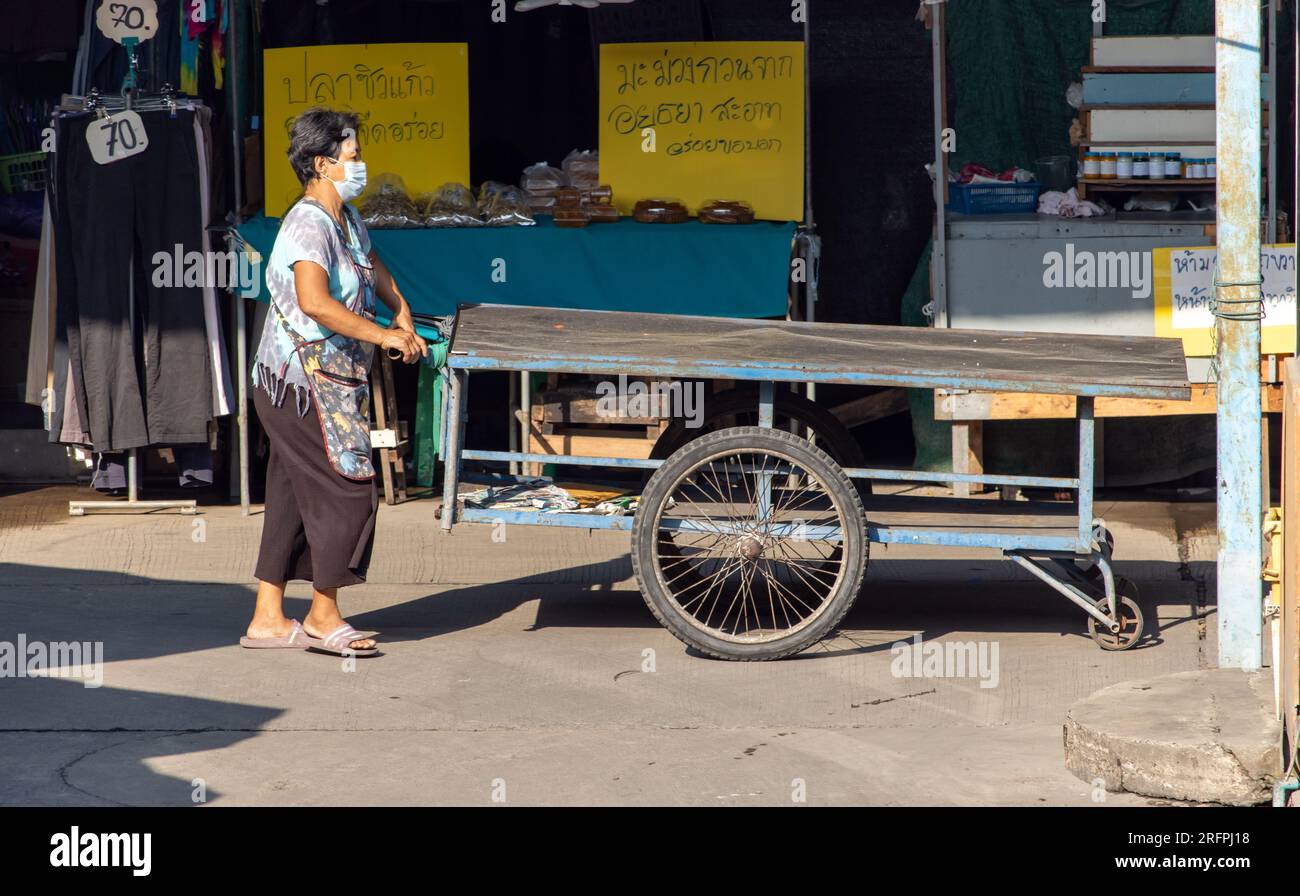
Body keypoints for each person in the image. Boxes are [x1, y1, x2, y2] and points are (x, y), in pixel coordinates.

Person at [240, 107, 427, 656]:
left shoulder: (345, 218)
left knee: (291, 497)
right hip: (297, 384)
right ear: (323, 163)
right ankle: (324, 614)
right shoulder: (306, 223)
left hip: (328, 380)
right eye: (353, 155)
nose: (360, 163)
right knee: (351, 490)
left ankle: (267, 619)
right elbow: (313, 302)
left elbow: (370, 261)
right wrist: (383, 337)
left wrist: (402, 307)